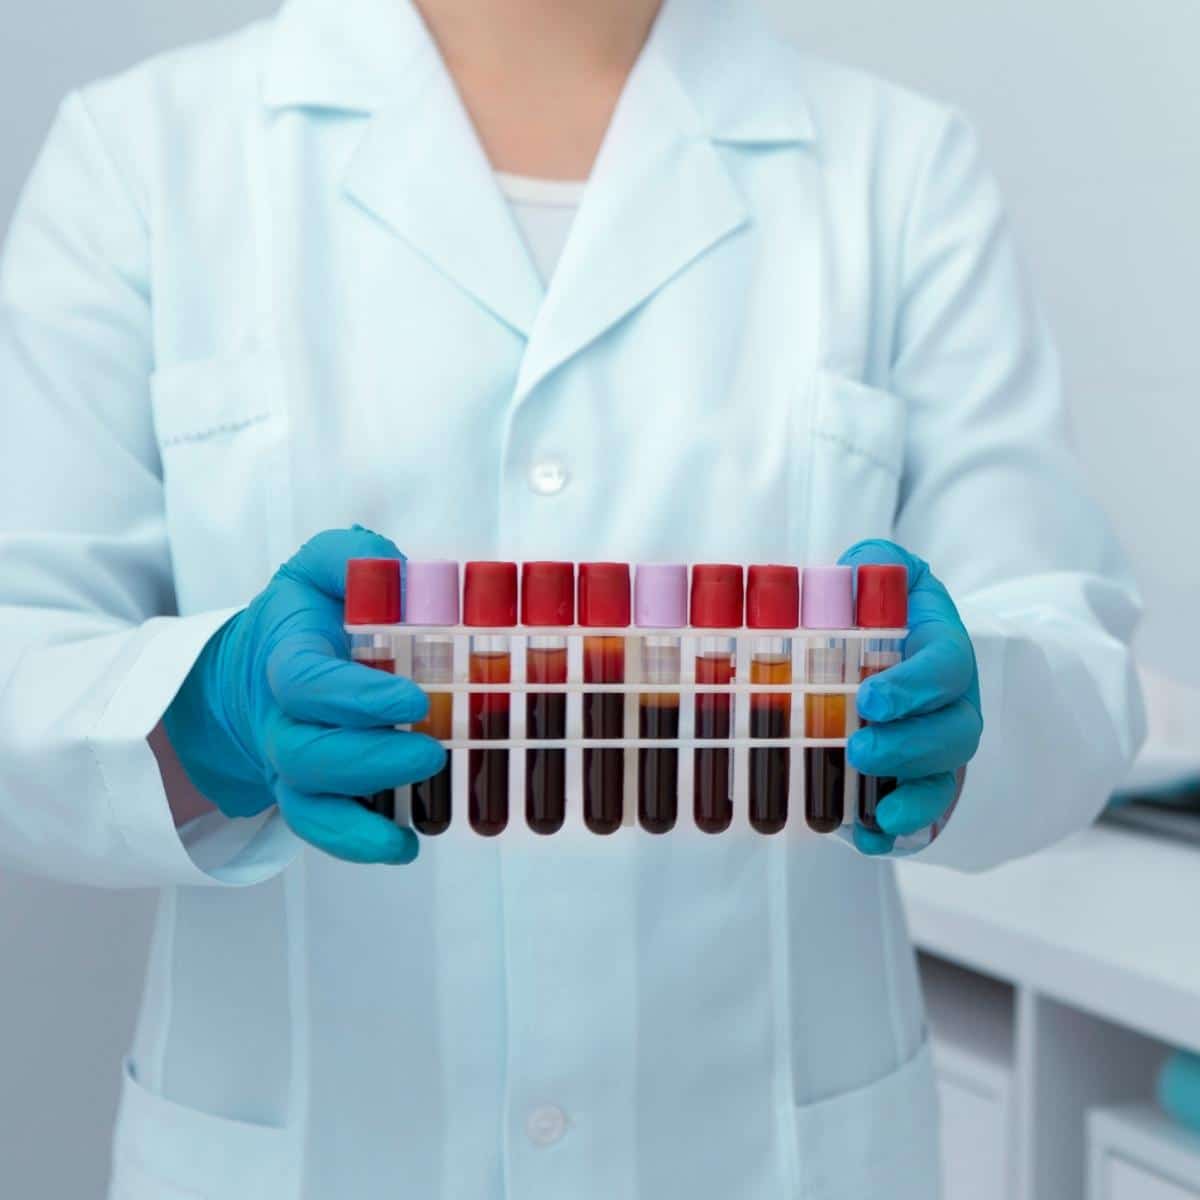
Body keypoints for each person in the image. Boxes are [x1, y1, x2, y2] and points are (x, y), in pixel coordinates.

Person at [0, 0, 1144, 1196]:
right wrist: (208, 709)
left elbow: (1065, 650)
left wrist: (981, 712)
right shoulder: (146, 154)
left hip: (765, 1158)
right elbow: (21, 654)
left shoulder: (899, 170)